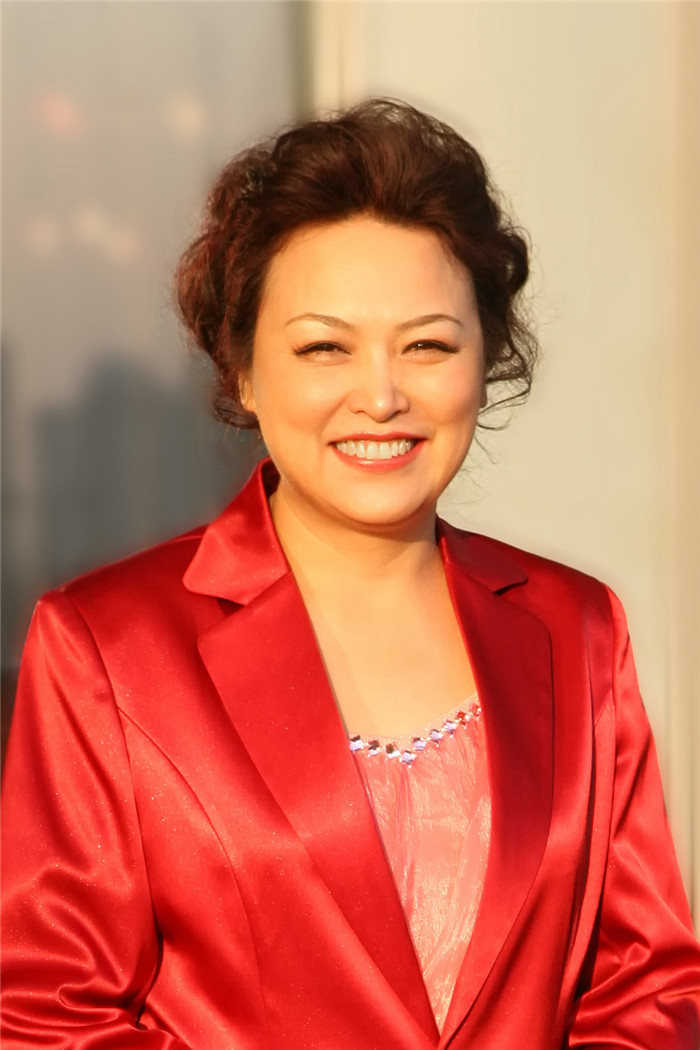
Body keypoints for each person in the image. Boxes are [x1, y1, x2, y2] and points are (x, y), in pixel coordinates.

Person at [2, 99, 699, 1049]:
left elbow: (646, 986)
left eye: (428, 345)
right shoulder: (108, 646)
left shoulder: (578, 627)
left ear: (485, 360)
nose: (380, 394)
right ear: (243, 371)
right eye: (324, 346)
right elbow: (50, 1013)